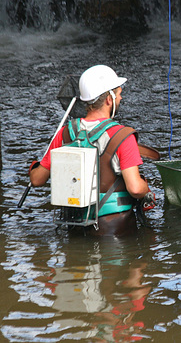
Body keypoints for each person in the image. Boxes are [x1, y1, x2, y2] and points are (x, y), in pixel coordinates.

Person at [29, 64, 151, 236]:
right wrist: (146, 189)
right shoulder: (123, 136)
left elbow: (37, 179)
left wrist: (35, 167)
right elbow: (136, 189)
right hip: (114, 231)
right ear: (109, 99)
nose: (120, 99)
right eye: (119, 94)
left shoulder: (65, 134)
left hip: (75, 228)